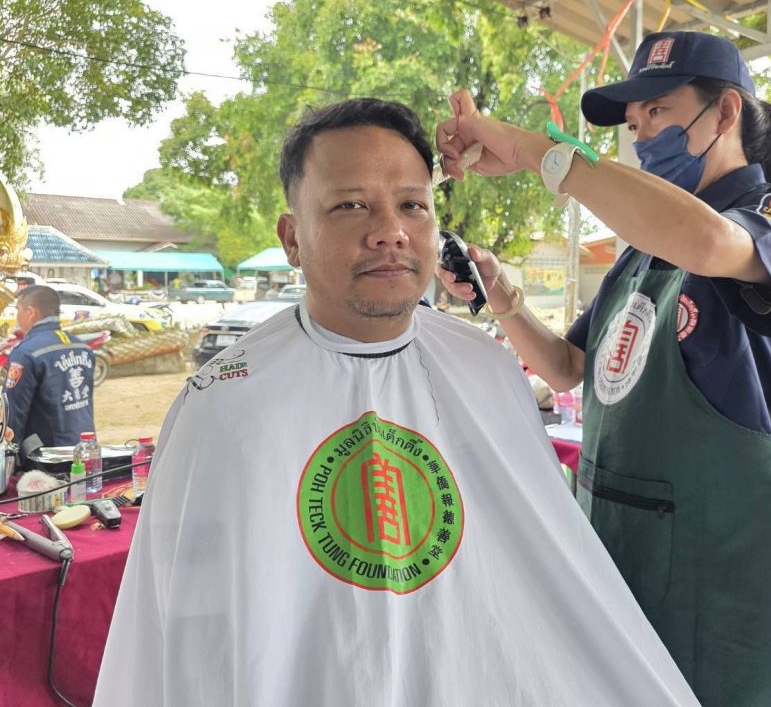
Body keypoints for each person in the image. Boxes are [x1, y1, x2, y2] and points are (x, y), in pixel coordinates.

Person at [94, 99, 698, 706]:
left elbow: (547, 577)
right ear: (292, 238)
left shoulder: (486, 369)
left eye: (413, 205)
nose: (391, 230)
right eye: (350, 205)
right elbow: (187, 638)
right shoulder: (224, 403)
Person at [436, 30, 771, 706]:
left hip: (718, 569)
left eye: (659, 110)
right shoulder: (642, 250)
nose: (641, 133)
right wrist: (502, 296)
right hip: (615, 543)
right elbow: (567, 367)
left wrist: (533, 151)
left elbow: (707, 241)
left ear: (726, 111)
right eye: (634, 120)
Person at [2, 285, 96, 447]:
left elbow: (13, 413)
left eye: (18, 310)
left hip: (46, 454)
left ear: (30, 312)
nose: (17, 317)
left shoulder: (25, 353)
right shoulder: (83, 347)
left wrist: (8, 450)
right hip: (85, 448)